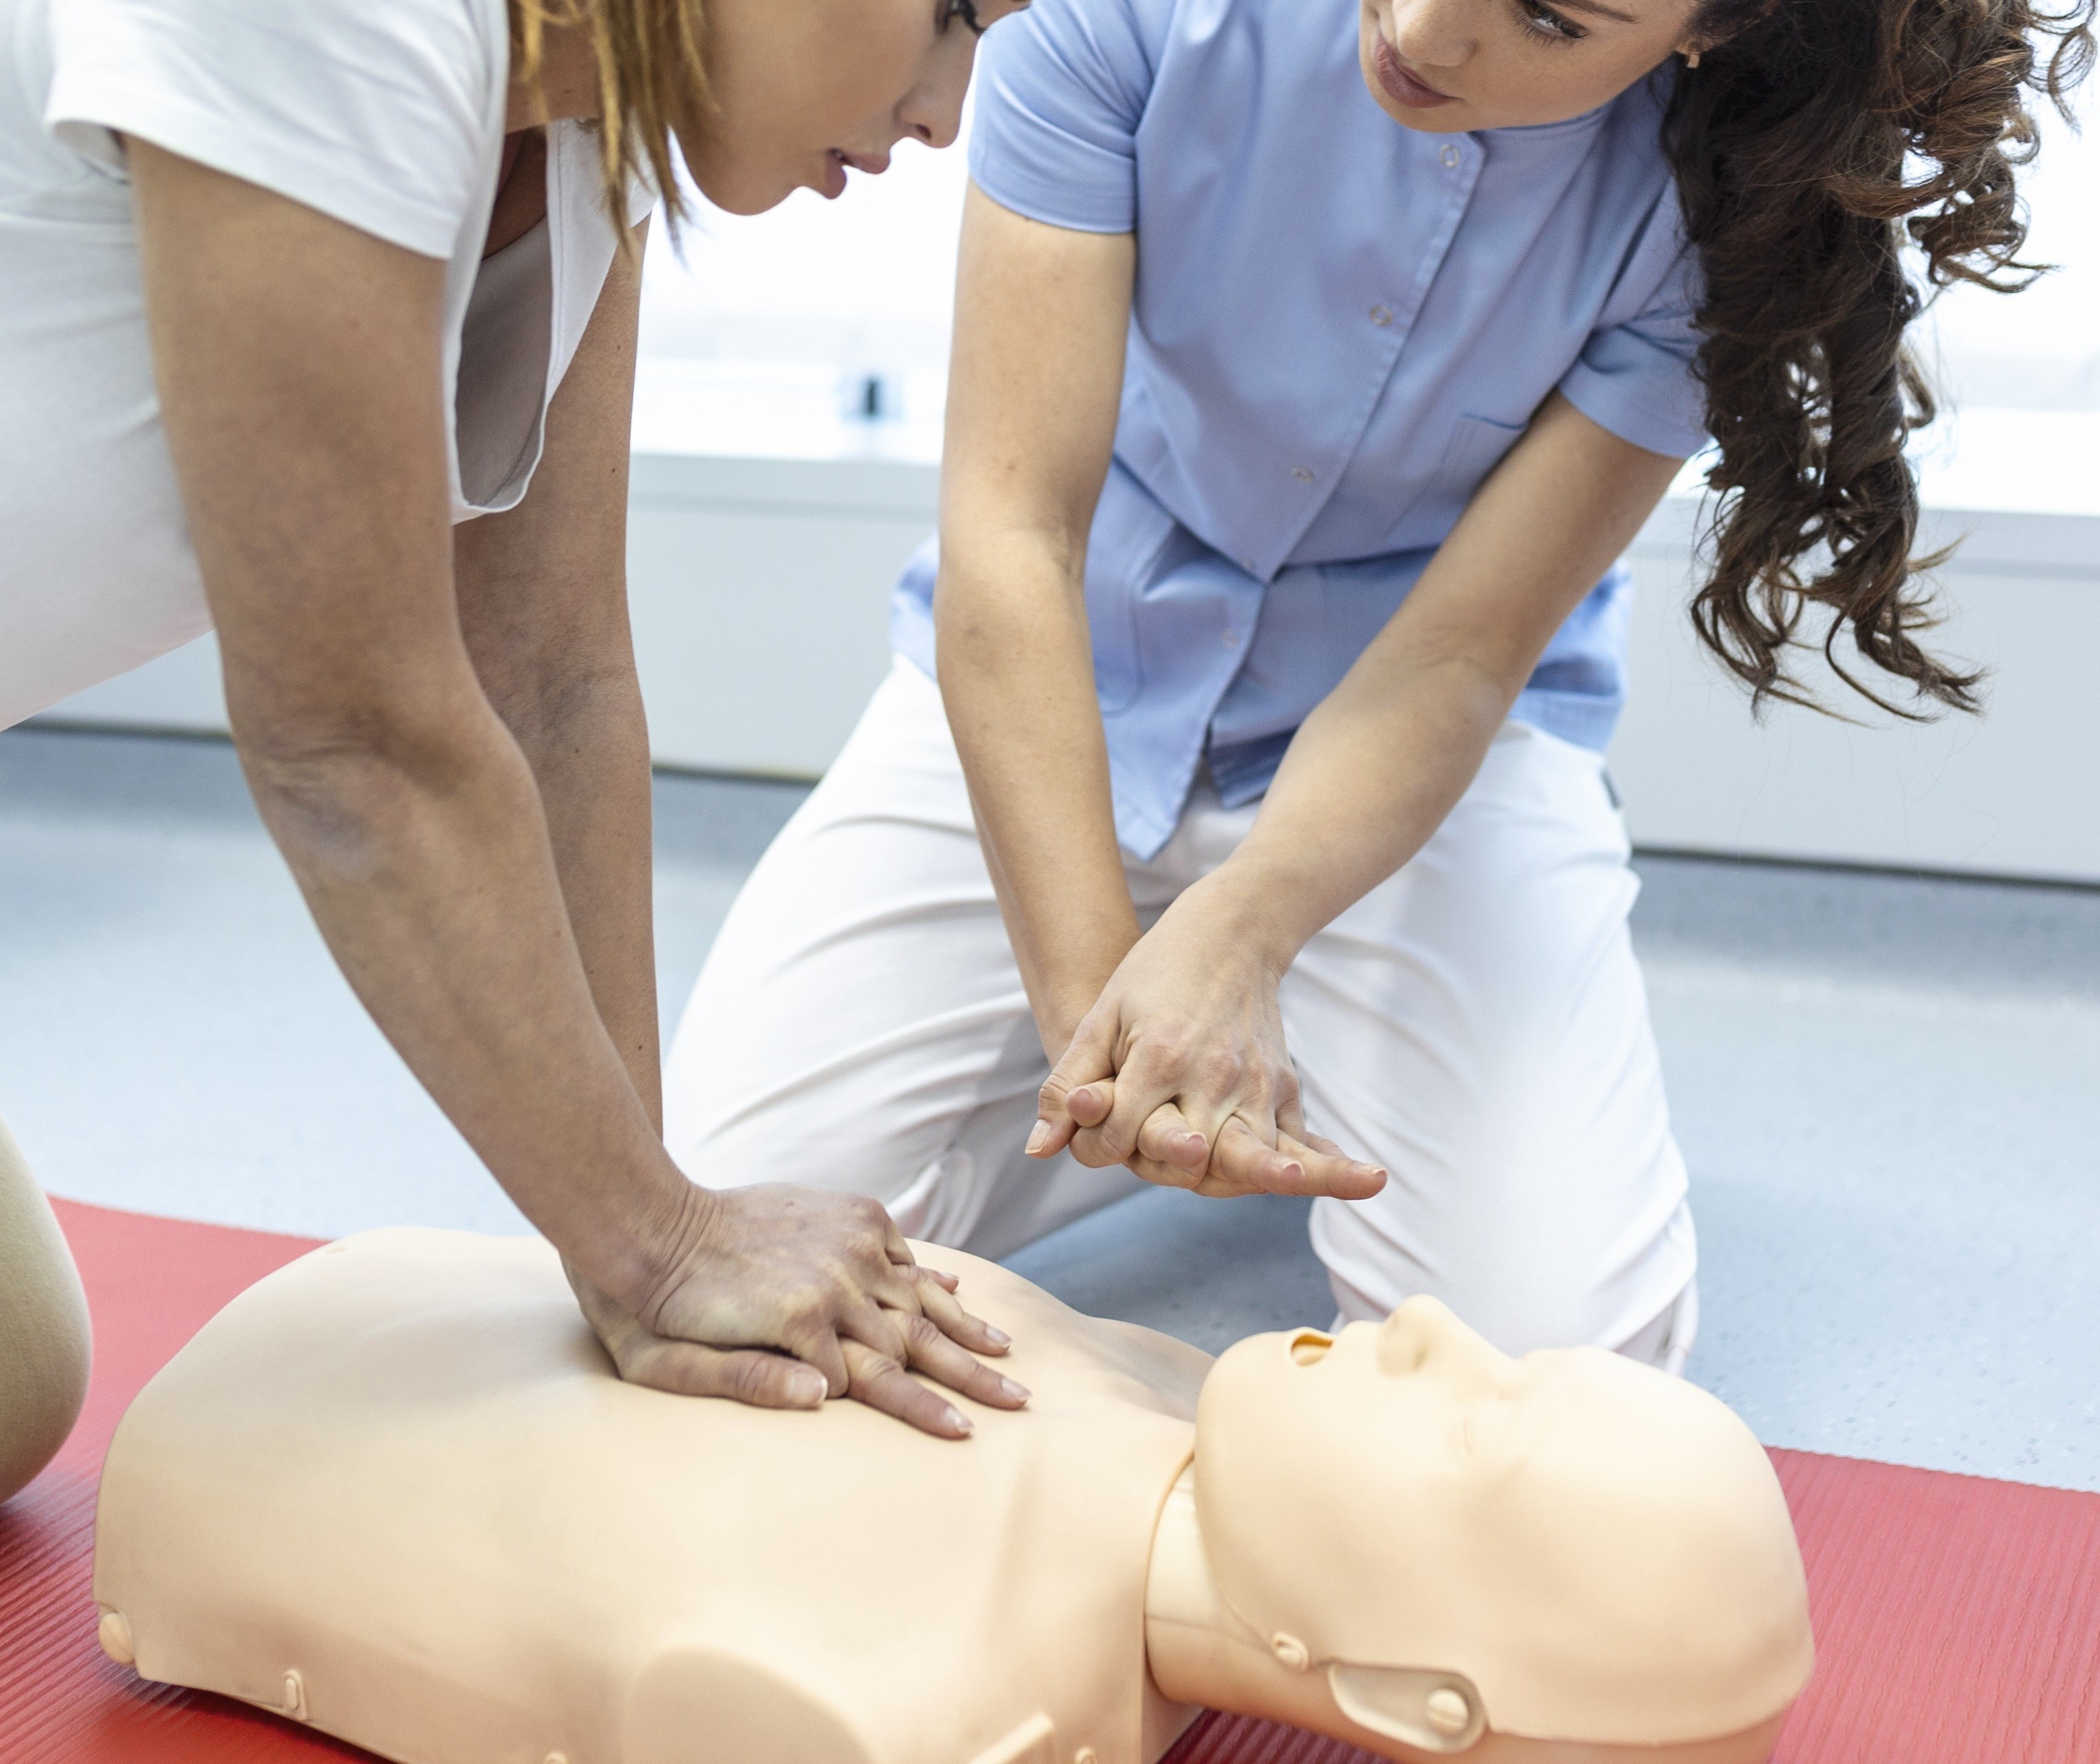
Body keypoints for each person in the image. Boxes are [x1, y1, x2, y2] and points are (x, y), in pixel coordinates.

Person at [662, 0, 2094, 1363]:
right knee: (720, 1225)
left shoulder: (1721, 220)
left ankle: (1270, 1060)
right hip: (1061, 669)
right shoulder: (1120, 17)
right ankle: (1207, 1097)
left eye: (1548, 20)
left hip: (1418, 747)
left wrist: (1238, 934)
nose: (1421, 32)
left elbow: (1457, 658)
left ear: (1715, 33)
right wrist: (1107, 1025)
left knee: (1557, 1359)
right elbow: (1013, 538)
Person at [0, 0, 1041, 1505]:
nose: (947, 112)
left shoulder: (583, 119)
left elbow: (553, 679)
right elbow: (350, 741)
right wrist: (658, 1238)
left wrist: (638, 1254)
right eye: (950, 15)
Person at [92, 1227, 1814, 1764]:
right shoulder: (1143, 1384)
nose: (1434, 1325)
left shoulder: (913, 1698)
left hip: (248, 1434)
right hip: (326, 1355)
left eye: (1479, 1426)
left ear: (1407, 1701)